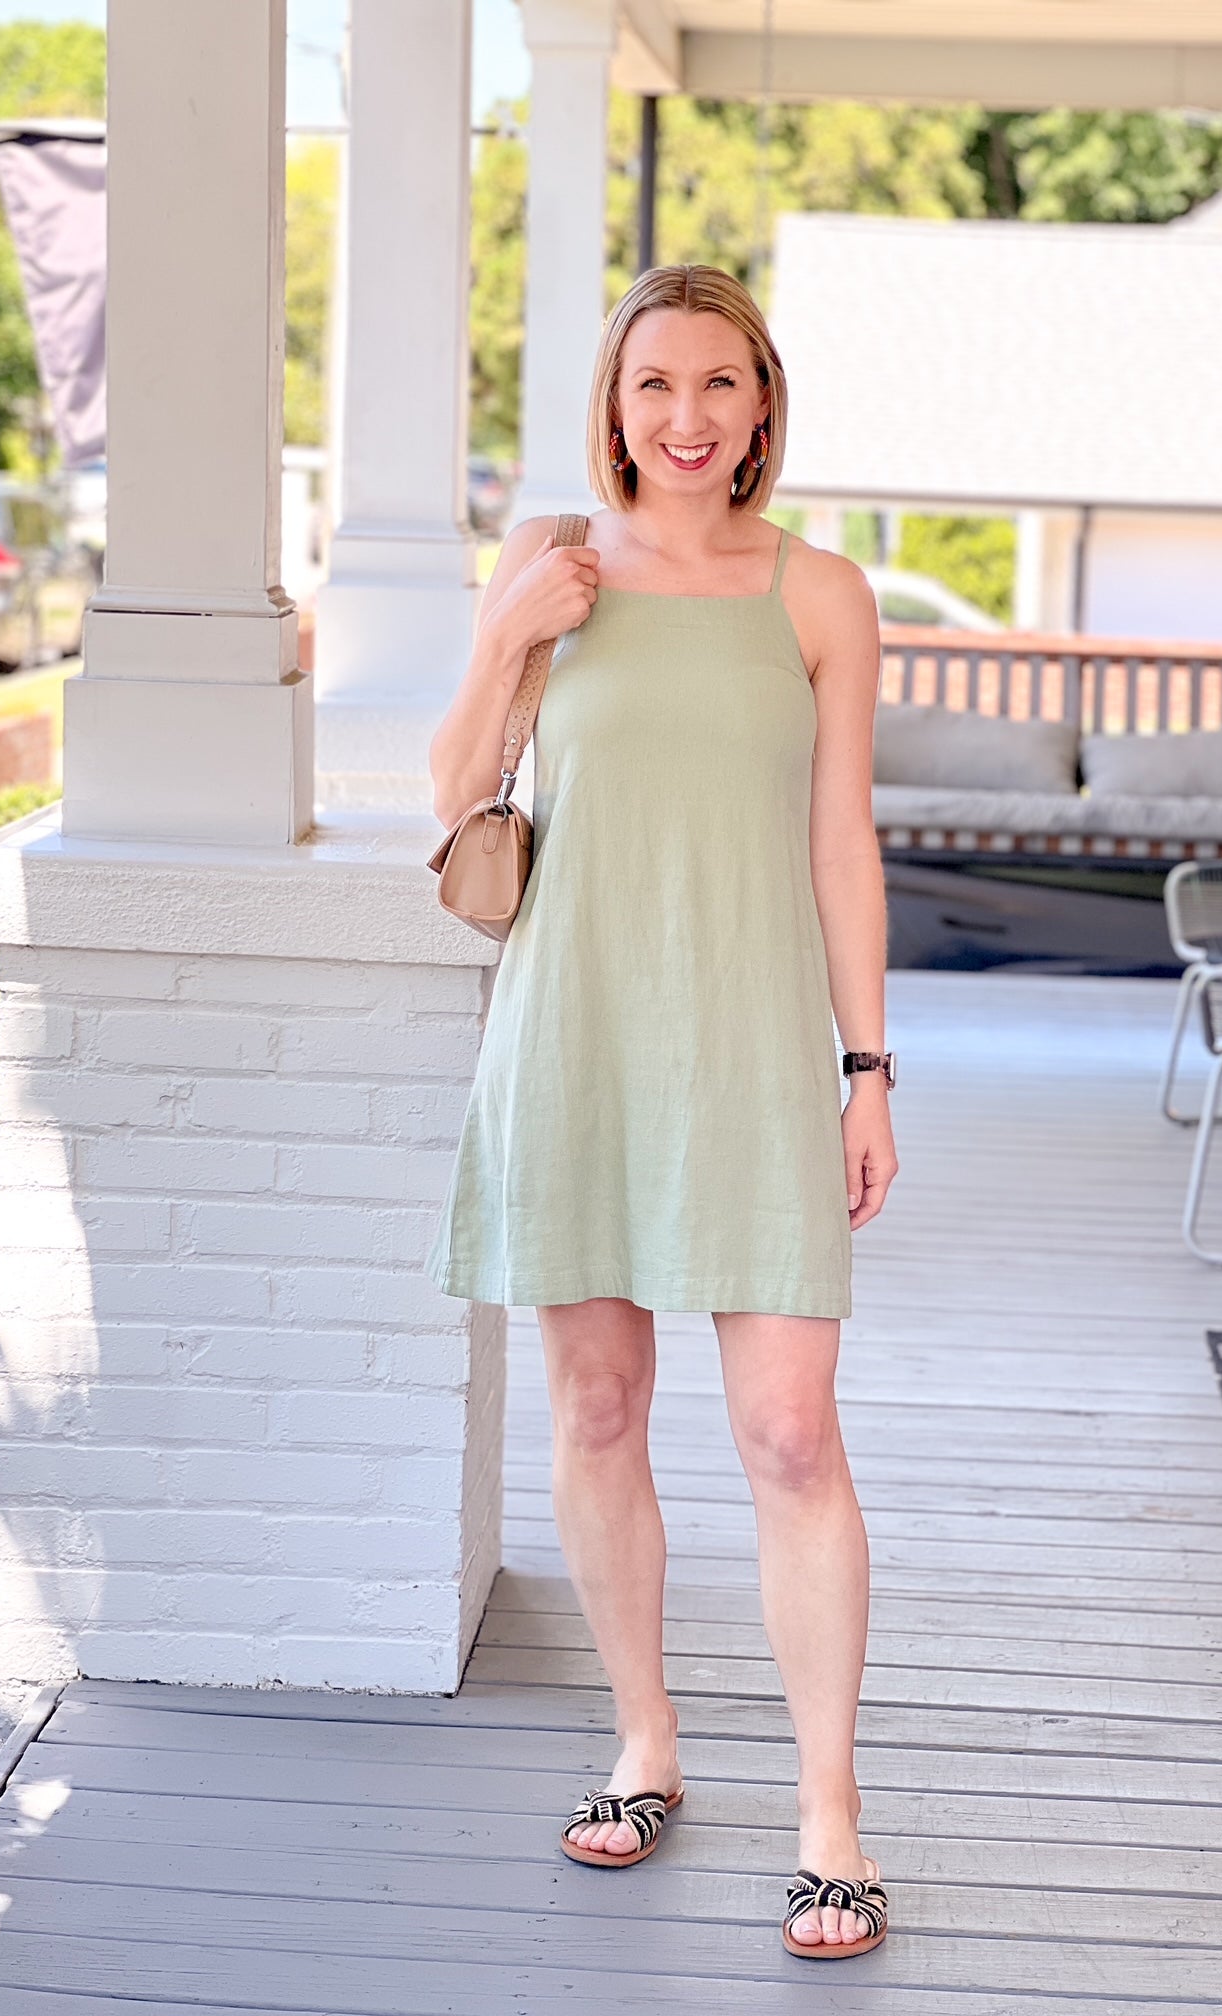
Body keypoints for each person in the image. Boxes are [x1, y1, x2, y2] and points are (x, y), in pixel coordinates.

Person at [425, 264, 897, 1960]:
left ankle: (830, 1814)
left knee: (790, 1434)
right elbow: (451, 794)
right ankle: (645, 1743)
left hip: (756, 1044)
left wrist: (868, 1070)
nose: (685, 418)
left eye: (717, 384)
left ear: (762, 404)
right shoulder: (550, 562)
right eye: (653, 386)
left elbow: (843, 843)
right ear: (613, 406)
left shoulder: (820, 593)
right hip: (578, 1036)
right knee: (600, 1406)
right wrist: (509, 633)